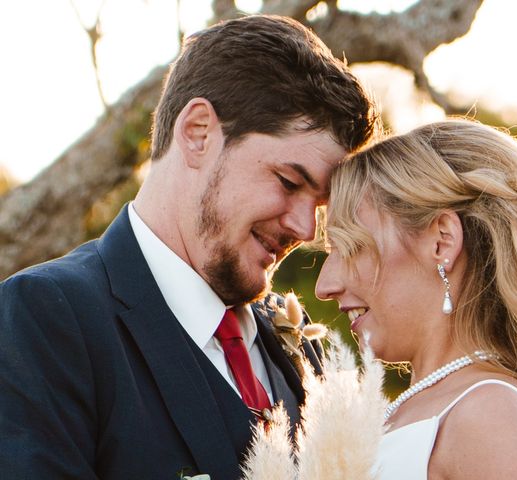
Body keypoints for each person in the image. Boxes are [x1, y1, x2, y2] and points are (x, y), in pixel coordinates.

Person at [0, 15, 377, 479]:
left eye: (318, 205)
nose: (304, 228)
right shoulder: (47, 318)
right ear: (198, 132)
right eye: (288, 181)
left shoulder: (298, 345)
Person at [315, 119, 517, 480]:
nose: (324, 285)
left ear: (441, 242)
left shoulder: (491, 414)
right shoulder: (432, 408)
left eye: (351, 247)